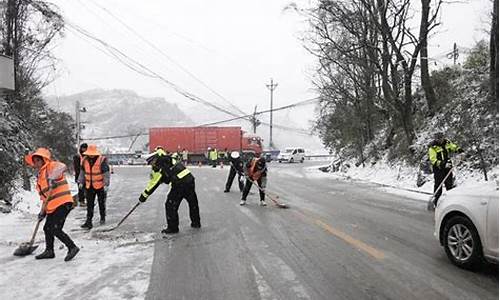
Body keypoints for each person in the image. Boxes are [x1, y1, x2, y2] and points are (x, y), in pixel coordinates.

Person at [25, 148, 79, 261]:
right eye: (34, 161)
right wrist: (42, 212)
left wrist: (52, 178)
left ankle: (72, 247)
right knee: (47, 228)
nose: (36, 163)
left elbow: (62, 166)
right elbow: (44, 198)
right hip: (52, 206)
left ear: (43, 160)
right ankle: (49, 251)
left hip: (63, 202)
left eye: (38, 160)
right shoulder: (40, 177)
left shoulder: (50, 167)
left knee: (55, 228)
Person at [139, 148, 201, 234]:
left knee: (170, 205)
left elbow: (153, 185)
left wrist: (143, 197)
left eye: (151, 162)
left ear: (154, 159)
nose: (151, 165)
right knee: (192, 202)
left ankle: (173, 228)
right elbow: (169, 172)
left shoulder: (158, 166)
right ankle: (196, 222)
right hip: (189, 180)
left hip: (179, 184)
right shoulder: (168, 158)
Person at [78, 144, 110, 229]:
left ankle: (102, 218)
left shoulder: (101, 160)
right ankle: (88, 222)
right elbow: (82, 173)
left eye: (92, 154)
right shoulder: (84, 160)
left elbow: (106, 174)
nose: (91, 155)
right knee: (90, 204)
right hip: (89, 186)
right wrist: (81, 182)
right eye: (90, 154)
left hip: (100, 186)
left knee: (101, 203)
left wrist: (106, 184)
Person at [428, 132, 463, 208]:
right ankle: (436, 202)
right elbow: (433, 160)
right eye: (438, 139)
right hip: (438, 168)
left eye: (441, 138)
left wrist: (459, 150)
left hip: (448, 166)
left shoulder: (447, 142)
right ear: (435, 139)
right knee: (438, 185)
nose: (440, 140)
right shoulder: (432, 147)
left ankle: (451, 201)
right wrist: (443, 164)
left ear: (443, 137)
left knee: (449, 184)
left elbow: (453, 147)